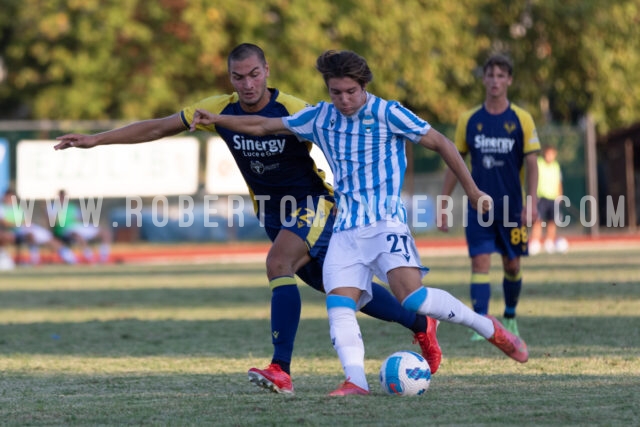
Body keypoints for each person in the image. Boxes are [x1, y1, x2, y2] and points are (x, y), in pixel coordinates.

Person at [54, 43, 442, 395]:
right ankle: (420, 324)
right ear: (230, 78)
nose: (247, 84)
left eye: (254, 74)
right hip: (274, 215)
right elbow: (158, 126)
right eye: (238, 77)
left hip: (314, 204)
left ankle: (281, 369)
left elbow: (342, 133)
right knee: (340, 290)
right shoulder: (219, 108)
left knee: (278, 262)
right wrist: (96, 139)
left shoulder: (291, 107)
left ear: (267, 71)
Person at [188, 49, 529, 396]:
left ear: (363, 86)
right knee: (339, 303)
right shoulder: (320, 117)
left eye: (351, 92)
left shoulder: (388, 112)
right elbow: (262, 125)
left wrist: (472, 191)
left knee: (412, 299)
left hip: (385, 223)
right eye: (336, 92)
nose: (344, 100)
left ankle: (486, 326)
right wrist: (217, 120)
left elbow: (440, 142)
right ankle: (356, 381)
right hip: (345, 228)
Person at [437, 53, 540, 340]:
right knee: (480, 262)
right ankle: (482, 324)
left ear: (509, 80)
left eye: (500, 75)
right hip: (478, 207)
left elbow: (532, 164)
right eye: (490, 75)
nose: (495, 80)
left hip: (512, 208)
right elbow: (455, 162)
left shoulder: (522, 119)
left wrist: (531, 203)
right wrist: (443, 203)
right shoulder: (468, 119)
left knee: (512, 264)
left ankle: (509, 315)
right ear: (484, 79)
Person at [0, 188, 77, 265]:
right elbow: (4, 223)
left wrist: (23, 223)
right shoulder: (2, 208)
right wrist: (19, 224)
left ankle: (69, 258)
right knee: (31, 236)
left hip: (28, 228)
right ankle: (34, 260)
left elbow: (27, 220)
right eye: (8, 197)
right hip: (15, 231)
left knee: (50, 239)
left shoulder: (18, 208)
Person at [50, 189, 111, 264]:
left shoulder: (72, 207)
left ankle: (103, 259)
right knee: (78, 236)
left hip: (77, 226)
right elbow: (53, 223)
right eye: (61, 196)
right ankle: (90, 258)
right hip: (65, 230)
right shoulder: (53, 207)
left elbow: (79, 219)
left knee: (105, 233)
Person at [529, 145, 568, 255]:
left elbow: (559, 182)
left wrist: (560, 195)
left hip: (553, 198)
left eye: (552, 154)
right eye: (548, 154)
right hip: (540, 197)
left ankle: (549, 242)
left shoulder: (556, 166)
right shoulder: (538, 163)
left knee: (552, 221)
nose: (550, 156)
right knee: (538, 220)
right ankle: (535, 242)